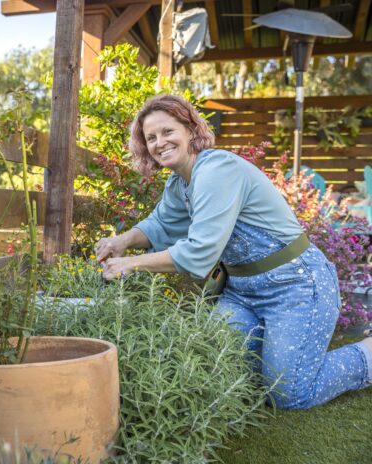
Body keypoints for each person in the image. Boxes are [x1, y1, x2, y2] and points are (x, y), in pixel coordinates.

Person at [95, 94, 372, 409]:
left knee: (289, 394)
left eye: (168, 131)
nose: (160, 142)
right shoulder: (179, 183)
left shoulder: (216, 170)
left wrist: (129, 265)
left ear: (189, 130)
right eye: (151, 137)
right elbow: (159, 224)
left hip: (296, 286)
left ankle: (366, 355)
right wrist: (123, 241)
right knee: (222, 367)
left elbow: (199, 252)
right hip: (242, 292)